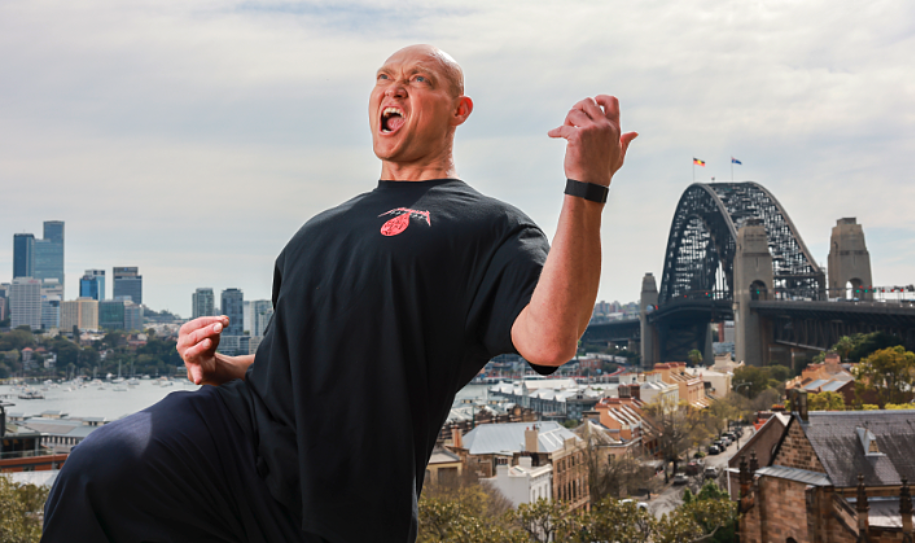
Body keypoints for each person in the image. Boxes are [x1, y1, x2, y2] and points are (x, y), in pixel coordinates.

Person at [42, 44, 636, 543]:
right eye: (384, 78)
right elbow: (291, 361)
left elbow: (550, 340)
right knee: (98, 469)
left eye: (418, 80)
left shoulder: (491, 227)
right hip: (233, 434)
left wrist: (586, 185)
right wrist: (219, 366)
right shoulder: (316, 231)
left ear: (460, 110)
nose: (393, 88)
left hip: (343, 493)